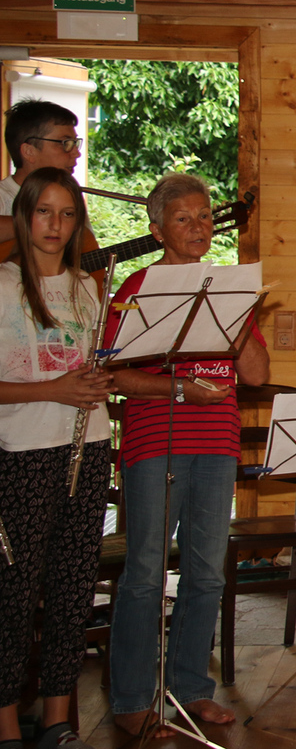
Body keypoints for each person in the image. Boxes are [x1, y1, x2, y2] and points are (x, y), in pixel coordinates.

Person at [106, 173, 269, 737]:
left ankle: (190, 688)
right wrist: (178, 390)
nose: (198, 226)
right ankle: (130, 697)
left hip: (217, 442)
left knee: (206, 575)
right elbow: (114, 374)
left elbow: (256, 375)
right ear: (157, 230)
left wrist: (238, 316)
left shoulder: (228, 287)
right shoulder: (137, 286)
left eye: (204, 216)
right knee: (145, 575)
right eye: (183, 218)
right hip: (155, 443)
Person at [0, 169, 112, 749]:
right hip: (23, 454)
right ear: (24, 216)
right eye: (44, 211)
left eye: (67, 214)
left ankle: (57, 721)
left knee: (73, 588)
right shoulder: (3, 285)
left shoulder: (88, 288)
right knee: (14, 595)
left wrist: (100, 382)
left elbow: (94, 367)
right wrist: (55, 389)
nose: (55, 225)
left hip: (89, 447)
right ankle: (5, 728)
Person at [0, 99, 84, 243]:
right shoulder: (2, 198)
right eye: (66, 143)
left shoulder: (69, 197)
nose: (77, 153)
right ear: (29, 151)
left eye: (75, 143)